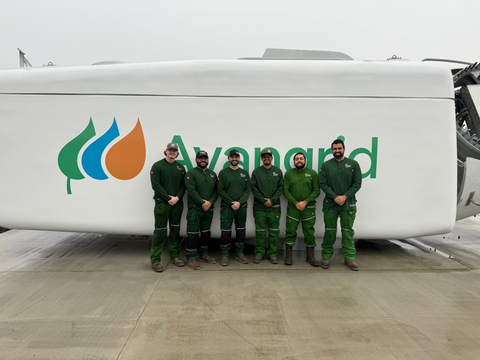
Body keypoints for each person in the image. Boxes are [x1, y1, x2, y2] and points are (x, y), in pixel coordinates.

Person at [319, 139, 362, 271]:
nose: (337, 151)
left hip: (348, 205)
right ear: (331, 150)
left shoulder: (353, 164)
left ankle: (349, 258)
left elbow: (357, 184)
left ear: (344, 149)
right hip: (330, 205)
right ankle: (326, 257)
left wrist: (345, 196)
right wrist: (334, 197)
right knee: (329, 232)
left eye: (339, 148)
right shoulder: (326, 166)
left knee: (347, 232)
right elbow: (323, 184)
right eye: (334, 149)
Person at [149, 142, 186, 272]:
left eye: (174, 150)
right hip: (162, 204)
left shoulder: (180, 168)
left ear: (177, 153)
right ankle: (155, 260)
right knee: (160, 231)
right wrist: (168, 198)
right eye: (170, 150)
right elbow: (156, 185)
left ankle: (175, 256)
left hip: (176, 204)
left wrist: (177, 198)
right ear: (166, 151)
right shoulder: (158, 166)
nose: (172, 152)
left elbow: (183, 186)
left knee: (175, 231)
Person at [283, 152, 320, 266]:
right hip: (293, 207)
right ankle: (289, 255)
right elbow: (285, 190)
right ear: (294, 162)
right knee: (290, 230)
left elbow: (316, 190)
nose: (299, 161)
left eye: (301, 159)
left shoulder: (312, 173)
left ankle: (310, 256)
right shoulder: (289, 174)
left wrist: (305, 202)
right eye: (297, 159)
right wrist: (295, 202)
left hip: (308, 207)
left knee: (309, 231)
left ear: (305, 161)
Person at [184, 150, 218, 270]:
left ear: (208, 160)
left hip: (208, 209)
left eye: (205, 158)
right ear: (196, 160)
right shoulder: (191, 173)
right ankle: (191, 257)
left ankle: (204, 254)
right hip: (195, 209)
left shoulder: (212, 174)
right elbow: (191, 191)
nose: (203, 160)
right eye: (200, 158)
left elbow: (216, 191)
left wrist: (210, 202)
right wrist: (202, 202)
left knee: (205, 233)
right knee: (193, 234)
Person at [217, 149, 251, 266]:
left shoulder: (244, 173)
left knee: (241, 230)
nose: (234, 159)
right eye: (232, 157)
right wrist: (232, 202)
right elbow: (220, 191)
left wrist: (240, 203)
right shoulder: (223, 173)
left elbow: (247, 191)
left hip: (241, 207)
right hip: (227, 207)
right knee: (226, 231)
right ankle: (225, 254)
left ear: (239, 158)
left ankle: (239, 253)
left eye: (236, 157)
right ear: (228, 158)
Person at [251, 148, 284, 264]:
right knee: (260, 232)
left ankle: (273, 254)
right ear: (261, 158)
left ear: (272, 158)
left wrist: (272, 200)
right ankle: (259, 253)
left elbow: (281, 188)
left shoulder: (278, 171)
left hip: (274, 208)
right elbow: (253, 188)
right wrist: (263, 200)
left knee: (274, 232)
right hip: (260, 208)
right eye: (264, 156)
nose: (266, 158)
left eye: (268, 156)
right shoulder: (256, 172)